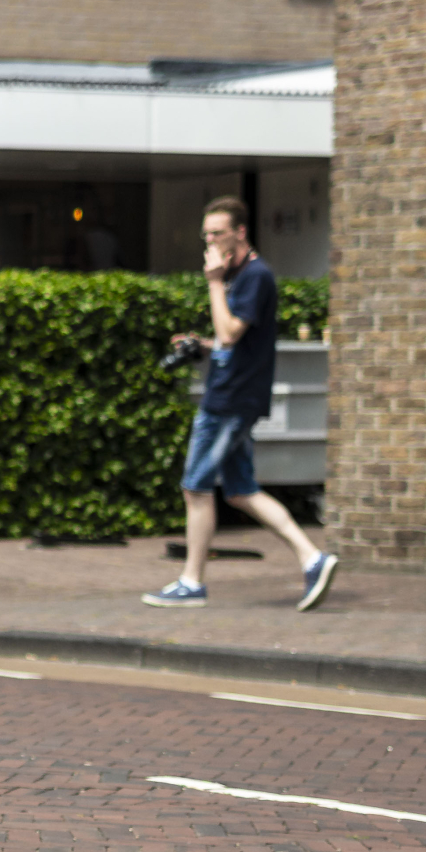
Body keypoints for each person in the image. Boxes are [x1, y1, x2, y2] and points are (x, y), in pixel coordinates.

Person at [142, 196, 338, 611]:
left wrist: (214, 283)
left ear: (240, 232)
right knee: (240, 490)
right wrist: (202, 345)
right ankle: (313, 558)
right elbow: (233, 340)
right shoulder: (243, 276)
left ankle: (191, 582)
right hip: (233, 393)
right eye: (206, 234)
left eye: (217, 232)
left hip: (230, 400)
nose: (210, 241)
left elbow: (231, 334)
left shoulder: (254, 276)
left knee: (195, 487)